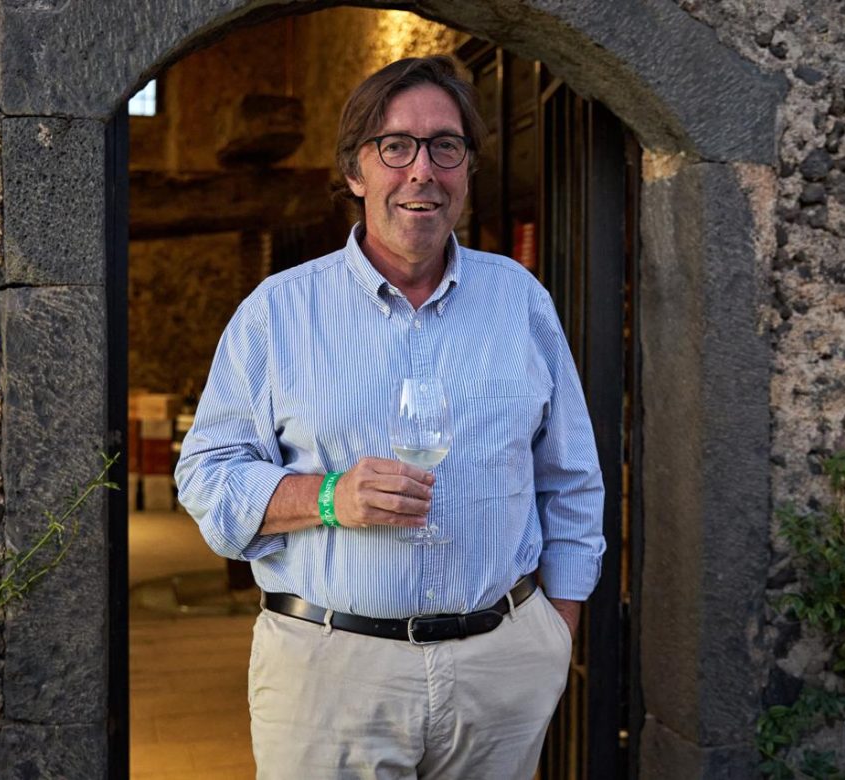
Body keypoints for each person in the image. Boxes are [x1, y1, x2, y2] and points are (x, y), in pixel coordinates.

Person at [175, 55, 605, 779]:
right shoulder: (277, 313)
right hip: (330, 676)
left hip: (500, 672)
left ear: (467, 170)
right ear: (355, 171)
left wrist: (552, 634)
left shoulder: (520, 300)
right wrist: (328, 498)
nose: (422, 171)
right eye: (396, 146)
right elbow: (207, 476)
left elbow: (570, 478)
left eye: (446, 147)